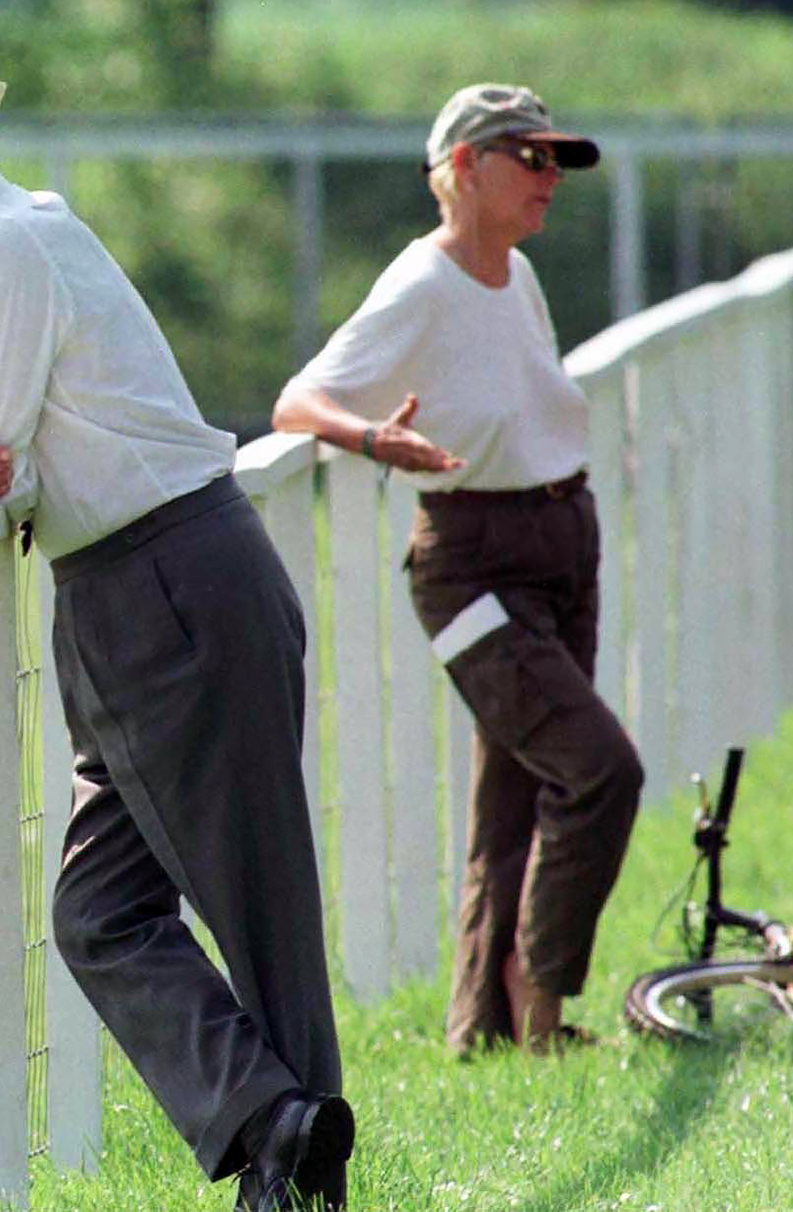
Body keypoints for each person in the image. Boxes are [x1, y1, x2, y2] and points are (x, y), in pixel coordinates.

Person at [0, 37, 354, 1210]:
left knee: (245, 902)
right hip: (125, 590)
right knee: (101, 914)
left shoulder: (6, 244)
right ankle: (282, 1126)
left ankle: (296, 1171)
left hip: (167, 581)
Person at [273, 84, 643, 1055]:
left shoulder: (514, 274)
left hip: (564, 539)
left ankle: (481, 1029)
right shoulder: (420, 283)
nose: (551, 178)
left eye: (558, 160)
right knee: (598, 769)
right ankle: (541, 1000)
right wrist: (372, 441)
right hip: (473, 565)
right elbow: (296, 403)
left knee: (518, 788)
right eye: (532, 157)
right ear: (465, 169)